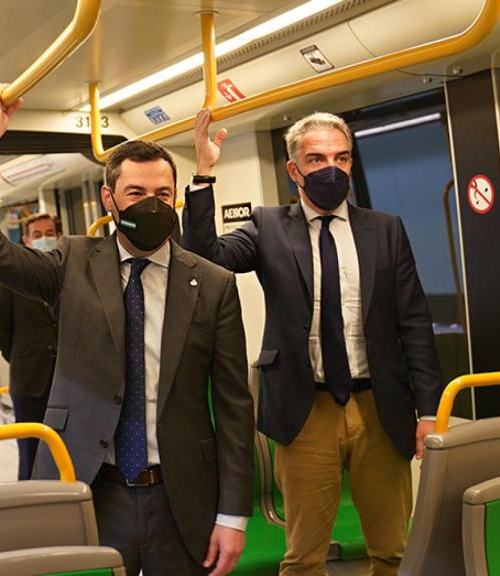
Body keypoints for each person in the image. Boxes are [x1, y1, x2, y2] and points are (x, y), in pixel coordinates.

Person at [0, 85, 254, 576]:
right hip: (89, 486)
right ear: (109, 198)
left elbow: (234, 406)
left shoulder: (213, 283)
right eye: (135, 193)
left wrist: (234, 513)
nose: (151, 204)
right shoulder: (70, 263)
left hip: (181, 490)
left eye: (162, 194)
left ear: (176, 197)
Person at [182, 109, 443, 576]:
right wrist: (203, 176)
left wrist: (428, 411)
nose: (331, 169)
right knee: (304, 557)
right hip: (305, 410)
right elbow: (205, 257)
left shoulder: (385, 228)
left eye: (342, 158)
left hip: (381, 406)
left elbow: (414, 324)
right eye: (317, 158)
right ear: (294, 169)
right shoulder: (267, 227)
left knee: (394, 551)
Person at [0, 212, 61, 480]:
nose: (45, 240)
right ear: (28, 241)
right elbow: (0, 326)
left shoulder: (74, 275)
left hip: (69, 381)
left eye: (49, 234)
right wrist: (22, 357)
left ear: (60, 237)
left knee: (71, 452)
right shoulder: (13, 279)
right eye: (38, 235)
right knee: (31, 455)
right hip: (30, 382)